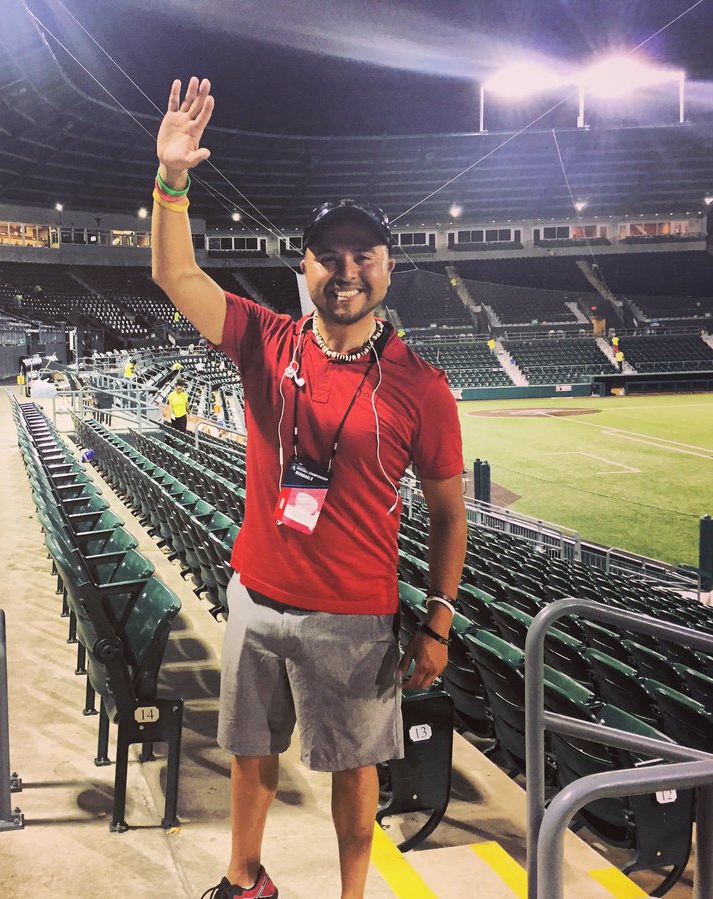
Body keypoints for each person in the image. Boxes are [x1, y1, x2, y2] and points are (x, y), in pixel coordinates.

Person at [151, 77, 467, 899]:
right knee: (250, 750)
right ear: (305, 267)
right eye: (330, 256)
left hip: (355, 616)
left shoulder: (422, 385)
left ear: (388, 268)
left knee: (354, 771)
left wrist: (437, 619)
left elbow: (447, 512)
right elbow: (176, 274)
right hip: (257, 595)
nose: (346, 271)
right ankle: (245, 878)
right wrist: (172, 179)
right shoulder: (266, 338)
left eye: (364, 256)